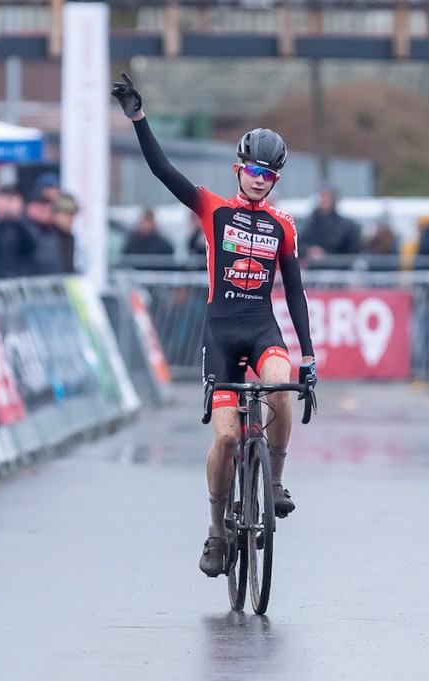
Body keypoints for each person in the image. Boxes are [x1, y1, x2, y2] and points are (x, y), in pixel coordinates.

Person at [111, 72, 315, 578]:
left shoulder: (283, 226)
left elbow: (294, 291)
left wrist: (308, 356)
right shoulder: (212, 208)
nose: (258, 178)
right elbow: (163, 170)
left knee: (279, 388)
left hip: (262, 327)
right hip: (220, 332)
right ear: (238, 169)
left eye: (268, 174)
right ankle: (216, 532)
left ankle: (276, 481)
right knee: (226, 439)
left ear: (275, 180)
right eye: (252, 170)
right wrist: (139, 120)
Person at [299, 185, 361, 264]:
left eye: (327, 197)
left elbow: (352, 251)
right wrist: (309, 250)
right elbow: (298, 244)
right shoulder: (308, 224)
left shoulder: (346, 226)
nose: (323, 200)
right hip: (313, 268)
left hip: (339, 269)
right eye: (321, 196)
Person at [0, 185, 37, 279]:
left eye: (12, 200)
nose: (8, 205)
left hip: (19, 279)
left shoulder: (25, 223)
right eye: (5, 199)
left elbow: (32, 246)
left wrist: (18, 219)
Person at [23, 188, 64, 275]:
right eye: (42, 208)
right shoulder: (25, 230)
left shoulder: (57, 231)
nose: (46, 213)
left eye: (50, 208)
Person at [52, 191, 79, 274]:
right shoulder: (47, 237)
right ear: (55, 214)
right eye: (66, 214)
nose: (70, 219)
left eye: (72, 215)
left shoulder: (70, 238)